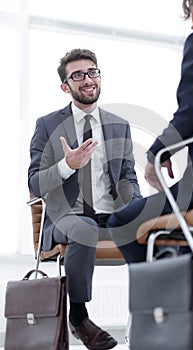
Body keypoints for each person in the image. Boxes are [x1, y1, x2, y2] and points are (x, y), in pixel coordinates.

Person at [107, 1, 193, 347]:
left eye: (190, 13)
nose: (191, 23)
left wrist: (156, 153)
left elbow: (191, 113)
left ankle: (178, 316)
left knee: (123, 221)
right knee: (184, 229)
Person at [28, 48, 142, 350]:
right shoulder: (48, 124)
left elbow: (128, 177)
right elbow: (35, 183)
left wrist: (138, 209)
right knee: (84, 228)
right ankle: (79, 317)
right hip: (68, 217)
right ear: (65, 86)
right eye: (77, 75)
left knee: (161, 227)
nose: (87, 79)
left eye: (92, 72)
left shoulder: (119, 125)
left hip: (111, 214)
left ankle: (170, 316)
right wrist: (68, 165)